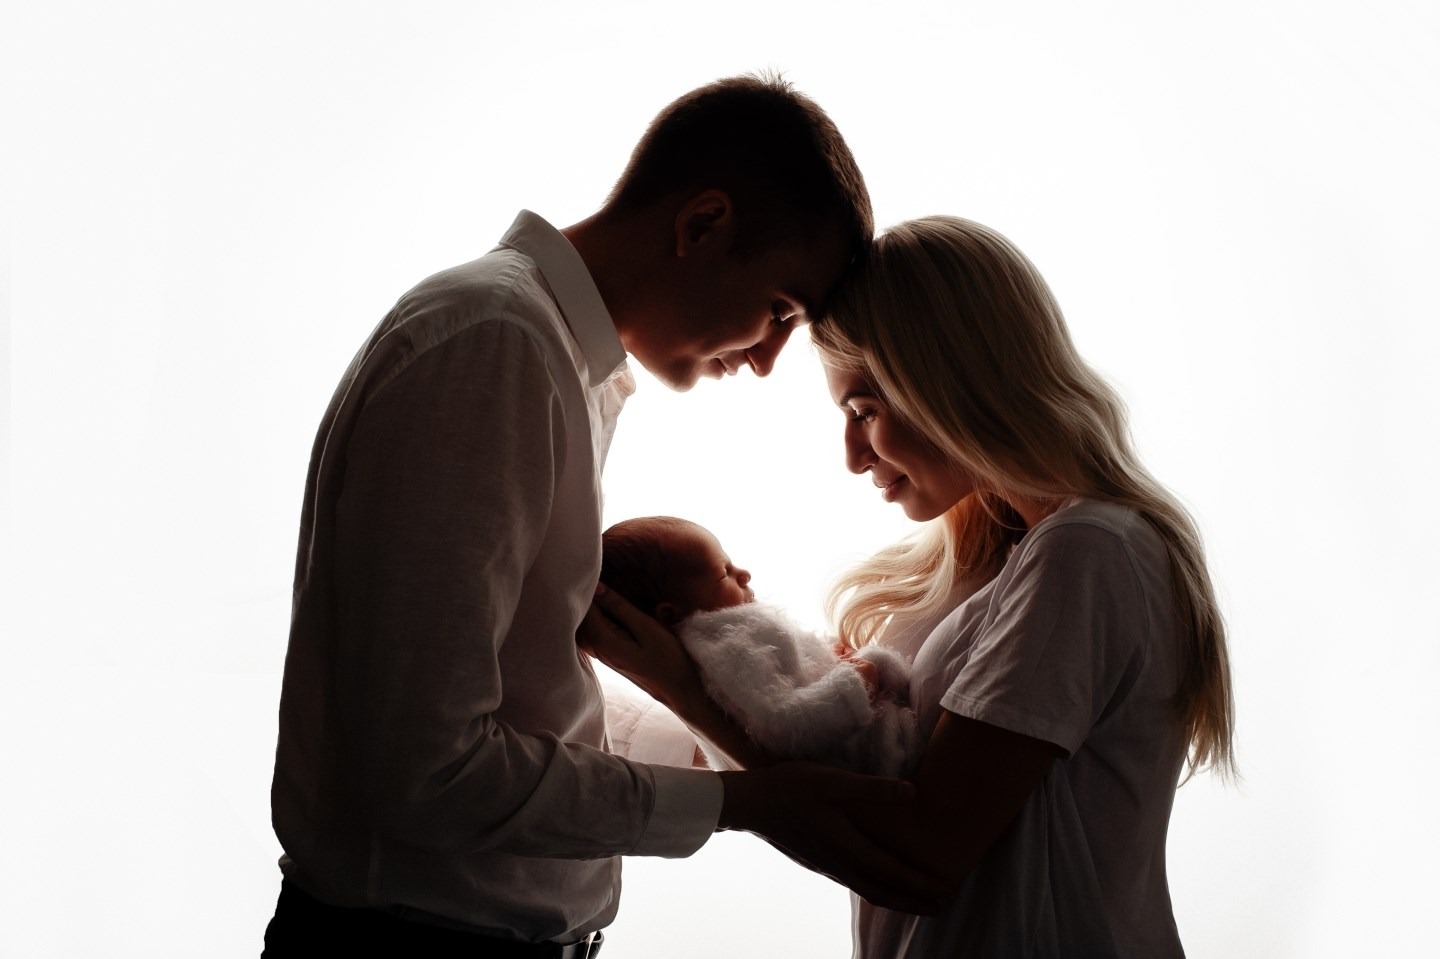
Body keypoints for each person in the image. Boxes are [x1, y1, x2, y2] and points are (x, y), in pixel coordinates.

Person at [264, 74, 941, 958]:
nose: (770, 360)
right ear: (702, 226)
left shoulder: (556, 363)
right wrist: (745, 805)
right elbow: (424, 768)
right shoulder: (495, 346)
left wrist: (724, 732)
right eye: (778, 311)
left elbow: (523, 707)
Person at [586, 215, 1237, 958]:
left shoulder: (1088, 550)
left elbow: (923, 856)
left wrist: (688, 688)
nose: (852, 455)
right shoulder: (990, 568)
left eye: (865, 410)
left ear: (952, 380)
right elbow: (845, 772)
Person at [600, 516, 920, 777]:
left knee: (877, 659)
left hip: (845, 722)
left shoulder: (729, 631)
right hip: (855, 757)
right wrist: (856, 685)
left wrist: (829, 654)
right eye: (723, 573)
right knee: (881, 667)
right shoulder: (725, 649)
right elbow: (785, 726)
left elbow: (792, 659)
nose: (743, 574)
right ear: (671, 612)